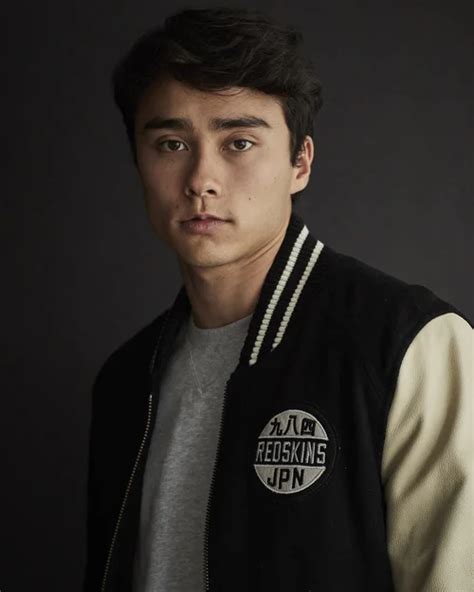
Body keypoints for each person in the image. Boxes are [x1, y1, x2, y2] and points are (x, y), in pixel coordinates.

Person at [82, 7, 472, 592]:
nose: (201, 179)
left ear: (300, 163)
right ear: (138, 160)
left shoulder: (410, 346)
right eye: (171, 143)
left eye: (239, 142)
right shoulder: (125, 381)